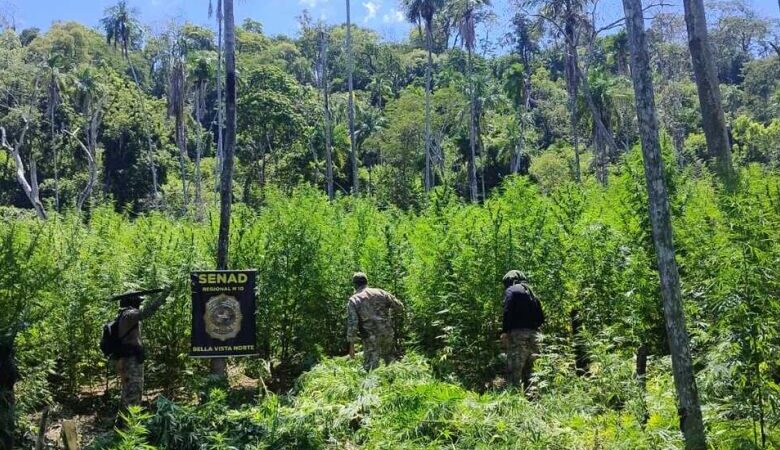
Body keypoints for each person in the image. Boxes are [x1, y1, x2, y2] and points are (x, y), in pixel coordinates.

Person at [111, 287, 170, 420]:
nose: (140, 304)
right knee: (133, 394)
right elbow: (147, 312)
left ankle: (122, 426)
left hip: (129, 359)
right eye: (138, 301)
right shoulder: (129, 315)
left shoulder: (124, 315)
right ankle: (129, 429)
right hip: (131, 361)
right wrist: (163, 296)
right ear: (132, 302)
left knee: (128, 394)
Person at [346, 272, 404, 371]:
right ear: (367, 282)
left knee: (371, 369)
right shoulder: (381, 292)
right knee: (389, 362)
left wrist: (351, 347)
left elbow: (353, 324)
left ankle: (375, 386)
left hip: (370, 337)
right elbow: (399, 307)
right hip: (387, 333)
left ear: (354, 285)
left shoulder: (354, 300)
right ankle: (393, 382)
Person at [500, 270, 544, 391]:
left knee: (514, 370)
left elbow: (507, 312)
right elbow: (541, 317)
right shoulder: (531, 292)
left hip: (517, 336)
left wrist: (505, 331)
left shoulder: (511, 291)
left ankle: (514, 400)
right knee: (533, 371)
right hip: (535, 336)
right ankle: (533, 399)